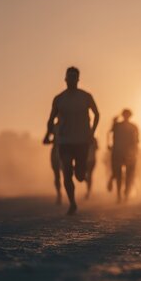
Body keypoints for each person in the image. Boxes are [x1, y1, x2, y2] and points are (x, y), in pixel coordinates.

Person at [43, 66, 100, 215]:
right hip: (65, 142)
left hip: (82, 141)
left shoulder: (86, 97)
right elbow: (50, 119)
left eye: (75, 77)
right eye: (69, 77)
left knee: (80, 176)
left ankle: (81, 173)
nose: (72, 80)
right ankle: (72, 203)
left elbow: (97, 114)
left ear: (78, 79)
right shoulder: (59, 99)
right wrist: (48, 134)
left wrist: (91, 133)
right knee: (66, 171)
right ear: (65, 79)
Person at [107, 109, 139, 202]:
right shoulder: (119, 125)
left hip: (126, 152)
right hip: (119, 151)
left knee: (126, 174)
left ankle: (124, 194)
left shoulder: (131, 126)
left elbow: (136, 140)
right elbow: (109, 134)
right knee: (119, 174)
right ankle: (120, 194)